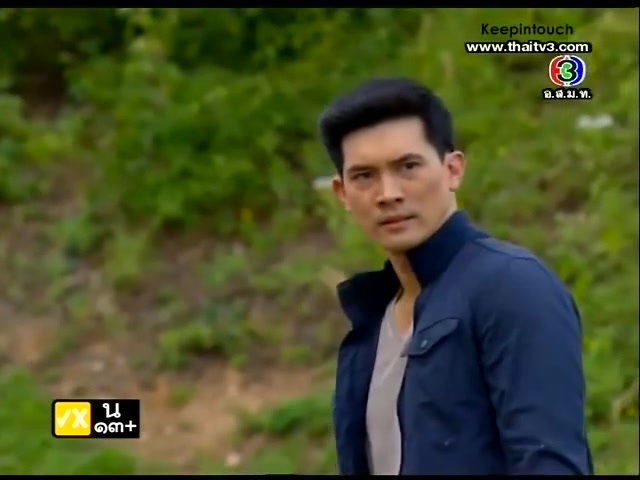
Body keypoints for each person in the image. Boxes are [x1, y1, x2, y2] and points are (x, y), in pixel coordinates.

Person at [318, 77, 593, 475]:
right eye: (364, 176)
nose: (388, 193)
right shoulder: (375, 318)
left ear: (453, 170)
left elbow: (550, 463)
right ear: (342, 193)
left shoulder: (510, 286)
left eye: (408, 166)